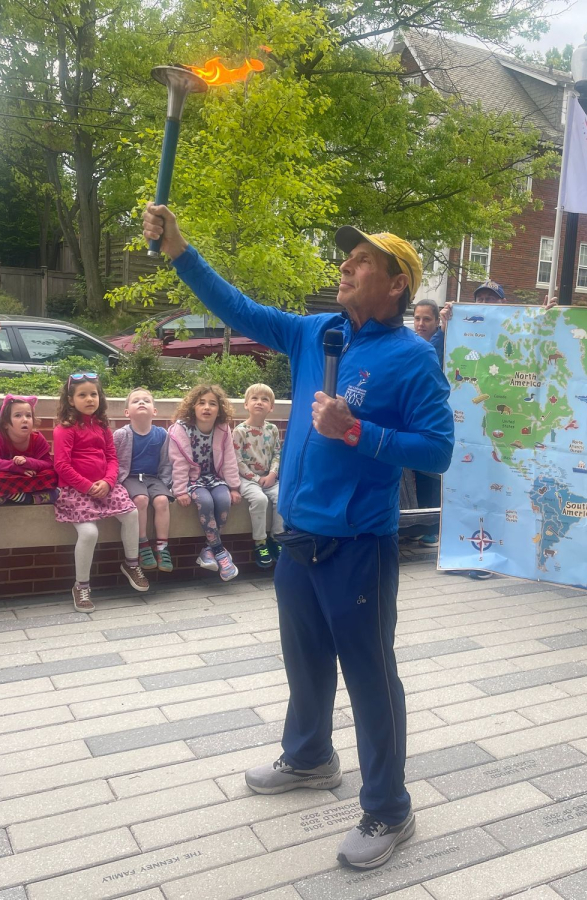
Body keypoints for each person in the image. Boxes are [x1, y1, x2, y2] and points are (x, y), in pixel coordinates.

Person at [142, 204, 452, 871]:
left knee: (371, 677)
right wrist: (179, 251)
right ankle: (311, 756)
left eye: (362, 259)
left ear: (396, 283)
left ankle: (390, 807)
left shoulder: (414, 358)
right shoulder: (318, 333)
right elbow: (241, 309)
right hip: (298, 537)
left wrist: (356, 431)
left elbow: (439, 451)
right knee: (305, 664)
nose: (345, 266)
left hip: (358, 548)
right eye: (348, 257)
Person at [52, 372, 149, 612]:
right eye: (82, 395)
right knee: (89, 533)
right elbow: (61, 465)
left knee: (131, 514)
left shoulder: (102, 426)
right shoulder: (64, 429)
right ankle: (81, 586)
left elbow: (112, 458)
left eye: (93, 394)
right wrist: (87, 486)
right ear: (70, 399)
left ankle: (131, 564)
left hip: (105, 486)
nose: (89, 399)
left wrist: (107, 481)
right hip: (76, 490)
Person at [168, 383, 241, 581]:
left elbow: (229, 460)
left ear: (220, 410)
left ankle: (209, 551)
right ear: (193, 407)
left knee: (224, 500)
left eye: (212, 404)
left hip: (214, 478)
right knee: (206, 502)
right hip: (191, 480)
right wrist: (180, 491)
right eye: (201, 403)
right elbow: (179, 463)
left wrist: (234, 487)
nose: (207, 407)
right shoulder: (181, 429)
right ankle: (219, 551)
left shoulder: (223, 429)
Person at [114, 387, 174, 574]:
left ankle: (162, 548)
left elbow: (165, 461)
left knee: (162, 500)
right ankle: (143, 545)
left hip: (153, 478)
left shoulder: (162, 434)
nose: (141, 403)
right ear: (127, 412)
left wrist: (165, 483)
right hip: (130, 477)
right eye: (136, 401)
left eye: (146, 401)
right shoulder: (121, 435)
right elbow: (113, 461)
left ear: (154, 411)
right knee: (140, 499)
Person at [233, 382, 283, 569]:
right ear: (246, 404)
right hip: (246, 479)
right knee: (260, 500)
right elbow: (237, 460)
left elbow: (277, 453)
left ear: (271, 407)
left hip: (269, 477)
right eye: (254, 398)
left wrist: (272, 474)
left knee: (282, 497)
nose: (259, 402)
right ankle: (260, 543)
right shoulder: (240, 431)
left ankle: (276, 539)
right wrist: (255, 479)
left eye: (264, 399)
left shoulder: (273, 430)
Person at [407, 299, 444, 548]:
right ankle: (421, 524)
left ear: (437, 322)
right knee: (418, 471)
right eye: (418, 318)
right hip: (414, 415)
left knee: (432, 473)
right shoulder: (412, 343)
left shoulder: (440, 342)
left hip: (433, 416)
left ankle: (432, 527)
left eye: (427, 319)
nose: (421, 323)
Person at [0, 395, 57, 507]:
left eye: (28, 415)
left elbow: (48, 464)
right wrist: (15, 467)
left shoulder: (37, 438)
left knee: (52, 474)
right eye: (18, 415)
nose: (25, 420)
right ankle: (31, 498)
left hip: (28, 476)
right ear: (5, 424)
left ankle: (9, 496)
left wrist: (28, 462)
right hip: (7, 476)